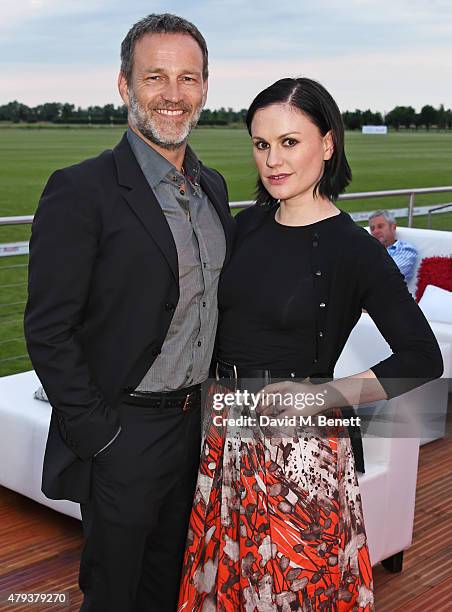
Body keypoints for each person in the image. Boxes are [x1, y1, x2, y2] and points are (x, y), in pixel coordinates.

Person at [178, 78, 443, 611]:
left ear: (328, 144)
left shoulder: (355, 250)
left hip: (298, 453)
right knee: (226, 593)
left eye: (290, 142)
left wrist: (324, 396)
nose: (273, 159)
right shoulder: (246, 225)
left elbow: (423, 356)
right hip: (222, 440)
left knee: (292, 596)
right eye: (261, 144)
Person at [24, 13, 234, 612]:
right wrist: (102, 434)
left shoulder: (213, 187)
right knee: (113, 592)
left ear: (204, 88)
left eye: (188, 78)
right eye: (155, 77)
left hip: (195, 426)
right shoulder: (80, 189)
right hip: (125, 432)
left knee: (168, 582)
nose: (173, 94)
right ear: (124, 86)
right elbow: (47, 329)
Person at [369, 209, 418, 282]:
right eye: (372, 228)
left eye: (380, 226)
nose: (375, 231)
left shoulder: (406, 250)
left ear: (393, 227)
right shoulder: (369, 249)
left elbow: (389, 274)